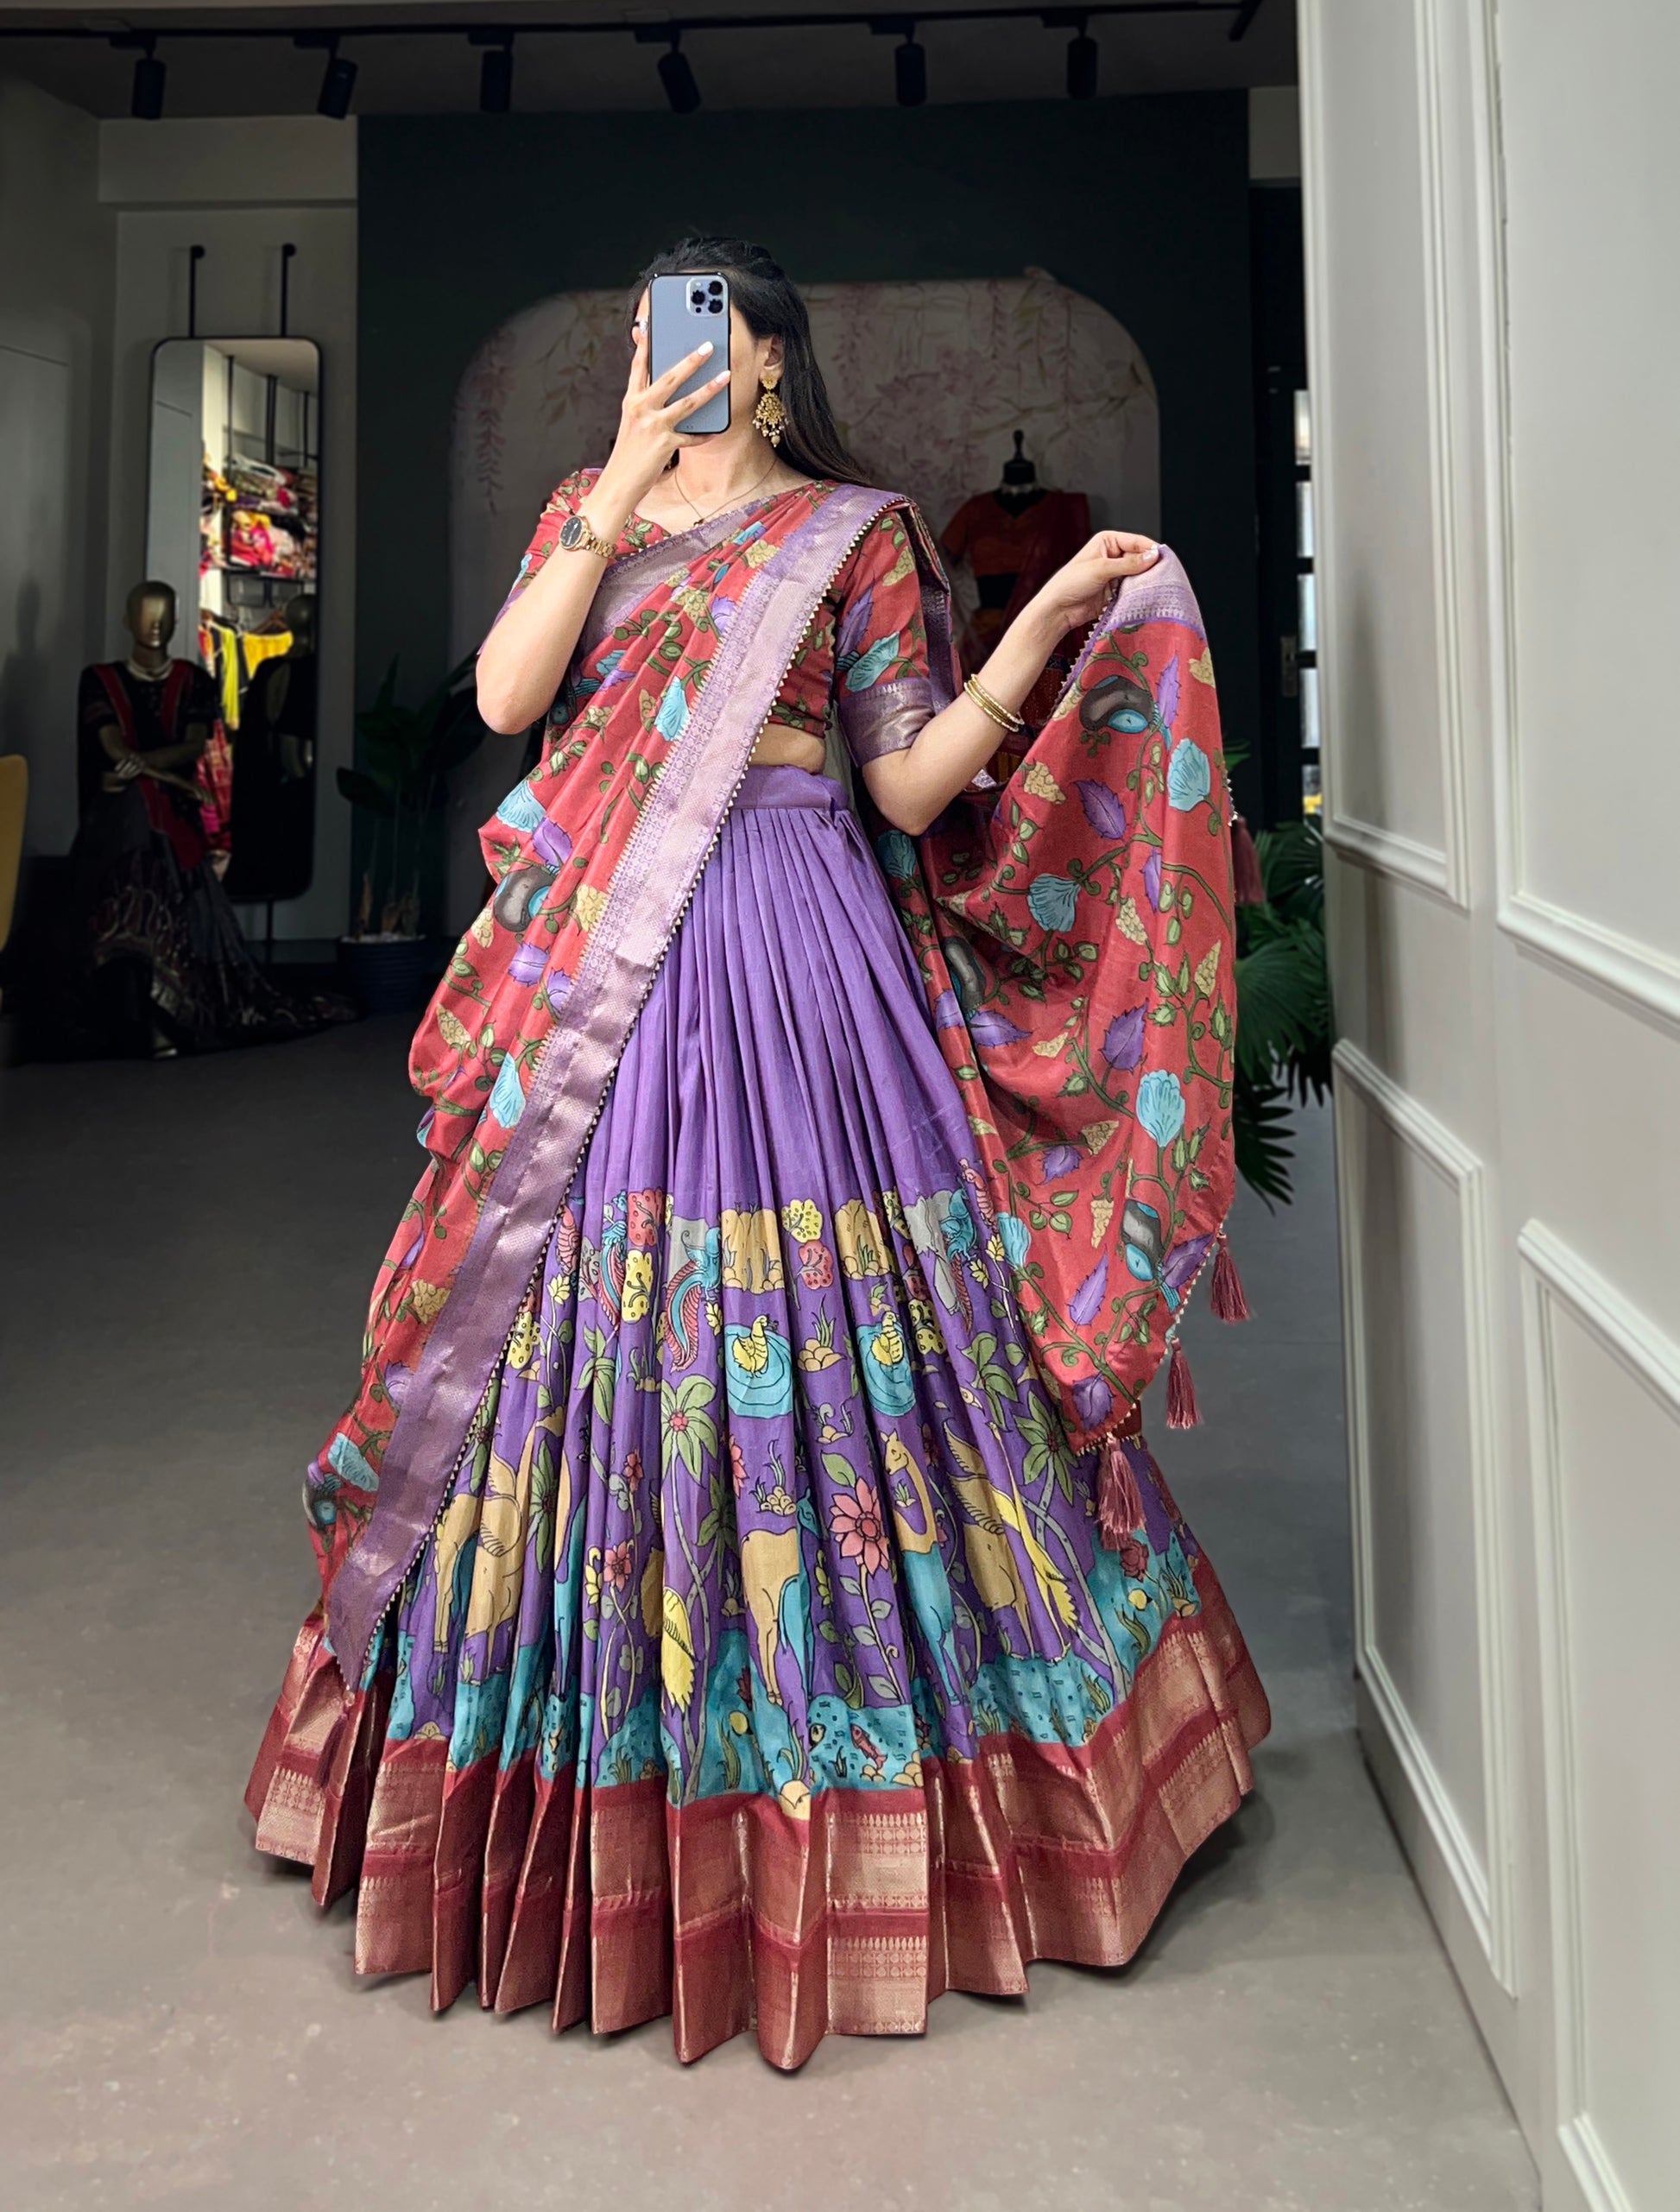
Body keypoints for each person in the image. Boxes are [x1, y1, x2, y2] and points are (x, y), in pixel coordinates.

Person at [247, 237, 1269, 2068]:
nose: (677, 355)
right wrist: (616, 489)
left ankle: (927, 1791)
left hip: (803, 957)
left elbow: (903, 784)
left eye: (707, 332)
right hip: (608, 986)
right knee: (572, 1334)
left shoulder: (854, 536)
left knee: (862, 1343)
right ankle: (580, 1801)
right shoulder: (592, 512)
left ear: (775, 361)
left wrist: (1042, 622)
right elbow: (508, 704)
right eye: (650, 333)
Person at [68, 581, 345, 1057]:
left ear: (177, 620)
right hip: (123, 817)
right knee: (135, 819)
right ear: (128, 620)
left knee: (147, 822)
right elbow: (110, 745)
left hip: (171, 816)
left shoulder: (193, 680)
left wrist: (142, 768)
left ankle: (159, 1009)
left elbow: (192, 746)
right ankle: (133, 1006)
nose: (155, 623)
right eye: (145, 613)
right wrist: (152, 774)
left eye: (164, 613)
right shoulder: (99, 680)